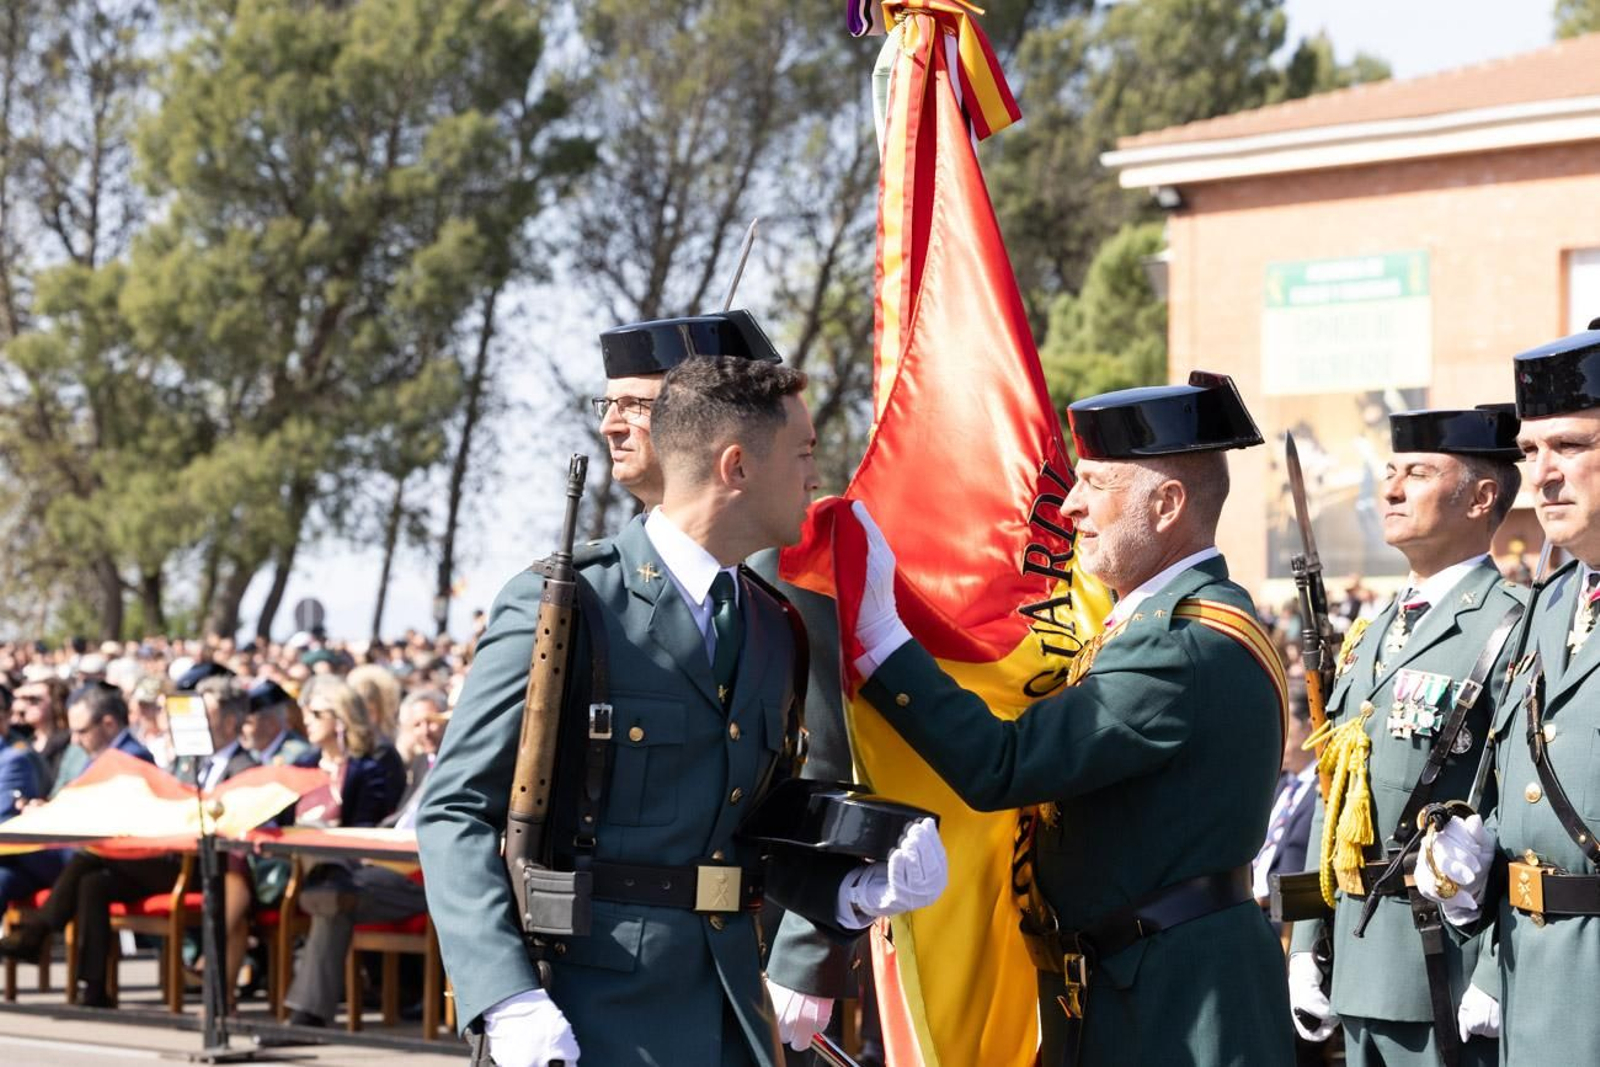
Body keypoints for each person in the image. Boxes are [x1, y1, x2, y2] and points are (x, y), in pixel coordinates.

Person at [419, 356, 948, 1067]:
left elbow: (748, 823)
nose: (815, 478)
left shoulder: (771, 625)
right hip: (593, 1012)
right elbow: (454, 809)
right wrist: (504, 995)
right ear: (736, 465)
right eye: (803, 454)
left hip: (732, 1006)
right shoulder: (574, 604)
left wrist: (849, 886)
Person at [841, 372, 1294, 1066]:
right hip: (1132, 982)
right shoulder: (1153, 628)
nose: (1072, 507)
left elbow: (1005, 766)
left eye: (1095, 484)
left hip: (1175, 1003)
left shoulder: (1178, 644)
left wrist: (883, 642)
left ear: (1167, 504)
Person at [600, 310, 861, 1060]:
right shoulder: (607, 576)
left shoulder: (774, 565)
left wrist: (805, 955)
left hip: (754, 950)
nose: (615, 424)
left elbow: (820, 766)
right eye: (606, 404)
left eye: (636, 404)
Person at [1287, 406, 1525, 1065]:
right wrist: (1307, 941)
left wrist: (1497, 967)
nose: (1389, 489)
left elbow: (1527, 821)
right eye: (1390, 471)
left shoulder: (1509, 627)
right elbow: (1332, 793)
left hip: (1447, 968)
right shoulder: (1375, 632)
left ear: (1481, 497)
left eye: (1416, 472)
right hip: (1359, 964)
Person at [1415, 321, 1600, 1063]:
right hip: (1534, 982)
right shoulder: (1553, 600)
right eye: (1531, 451)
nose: (1544, 473)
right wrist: (1473, 862)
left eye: (1572, 446)